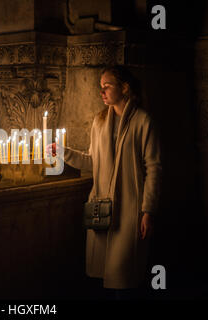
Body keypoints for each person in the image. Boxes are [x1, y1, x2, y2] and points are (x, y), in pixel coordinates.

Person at [48, 65, 162, 299]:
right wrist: (62, 152)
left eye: (107, 86)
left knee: (123, 277)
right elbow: (92, 162)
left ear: (125, 87)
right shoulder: (99, 122)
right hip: (102, 207)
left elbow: (154, 168)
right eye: (101, 87)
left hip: (131, 208)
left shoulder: (143, 121)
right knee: (102, 279)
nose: (102, 92)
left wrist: (147, 211)